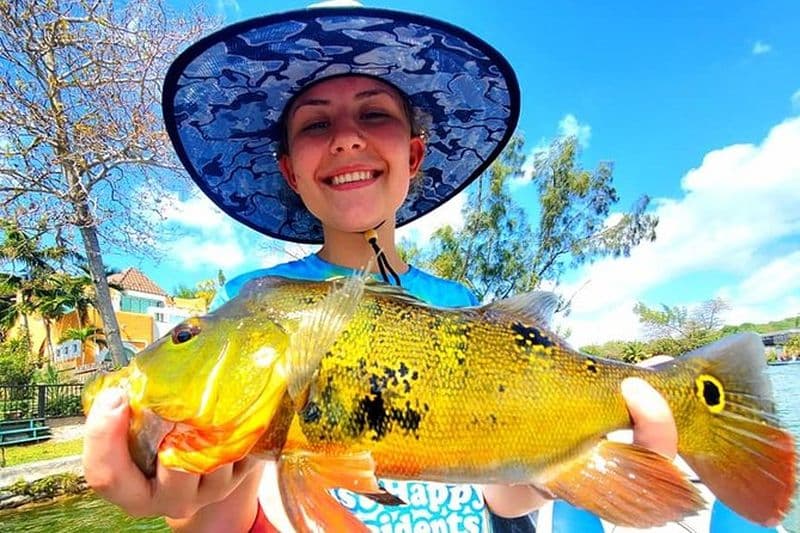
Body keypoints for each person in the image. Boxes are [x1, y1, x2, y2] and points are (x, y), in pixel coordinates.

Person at [83, 5, 679, 532]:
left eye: (375, 116)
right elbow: (223, 523)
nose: (346, 139)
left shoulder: (456, 300)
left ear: (413, 154)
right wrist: (191, 490)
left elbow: (505, 493)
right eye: (316, 124)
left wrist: (560, 472)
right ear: (292, 172)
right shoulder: (248, 299)